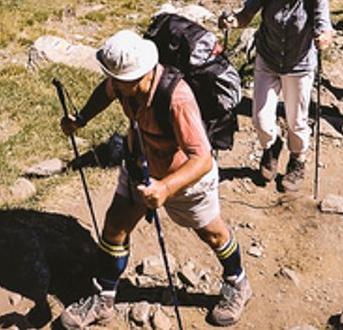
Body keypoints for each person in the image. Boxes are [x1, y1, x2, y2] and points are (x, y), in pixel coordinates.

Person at [57, 30, 252, 327]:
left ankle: (238, 282)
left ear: (139, 74)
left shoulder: (177, 98)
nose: (113, 83)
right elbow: (106, 90)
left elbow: (202, 159)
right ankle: (104, 297)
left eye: (118, 79)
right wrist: (81, 118)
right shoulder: (124, 83)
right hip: (139, 167)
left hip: (184, 179)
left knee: (211, 233)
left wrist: (166, 187)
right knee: (115, 226)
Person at [222, 0, 332, 193]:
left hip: (300, 64)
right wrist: (233, 22)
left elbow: (326, 26)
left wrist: (324, 37)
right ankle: (272, 147)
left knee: (297, 120)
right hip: (268, 60)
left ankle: (297, 160)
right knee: (260, 119)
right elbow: (247, 15)